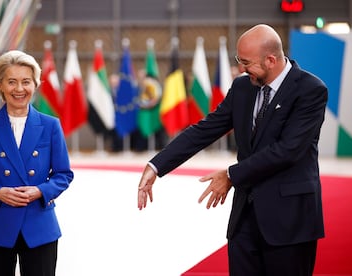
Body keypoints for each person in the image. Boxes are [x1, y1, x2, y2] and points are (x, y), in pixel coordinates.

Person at [137, 24, 327, 276]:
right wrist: (156, 166)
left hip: (289, 223)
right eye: (239, 60)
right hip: (244, 222)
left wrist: (231, 175)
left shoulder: (310, 90)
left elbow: (287, 150)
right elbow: (206, 129)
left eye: (246, 62)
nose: (240, 69)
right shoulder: (242, 87)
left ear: (271, 60)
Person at [0, 50, 74, 276]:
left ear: (36, 84)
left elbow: (64, 174)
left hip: (39, 226)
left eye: (26, 82)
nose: (19, 89)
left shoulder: (51, 126)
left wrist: (40, 191)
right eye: (11, 82)